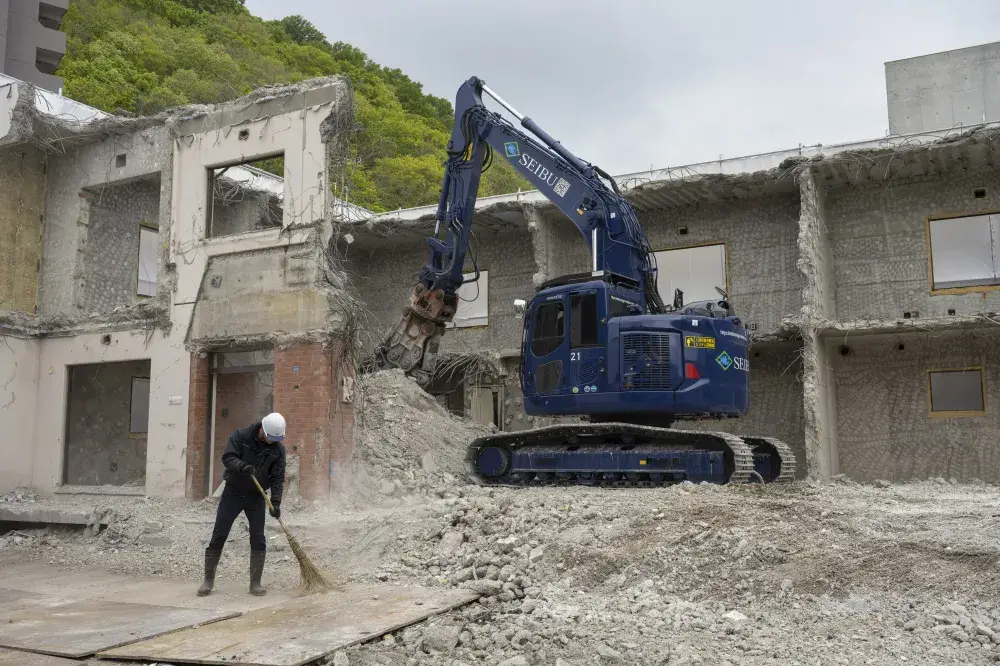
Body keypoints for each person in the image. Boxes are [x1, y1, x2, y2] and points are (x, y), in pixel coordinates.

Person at [197, 412, 287, 597]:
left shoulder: (277, 450)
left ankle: (255, 583)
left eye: (275, 440)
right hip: (233, 492)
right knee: (219, 534)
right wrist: (241, 466)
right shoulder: (241, 436)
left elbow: (278, 478)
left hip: (256, 496)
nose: (271, 442)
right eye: (270, 438)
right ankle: (208, 580)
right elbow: (228, 457)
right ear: (262, 429)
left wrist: (275, 502)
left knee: (258, 538)